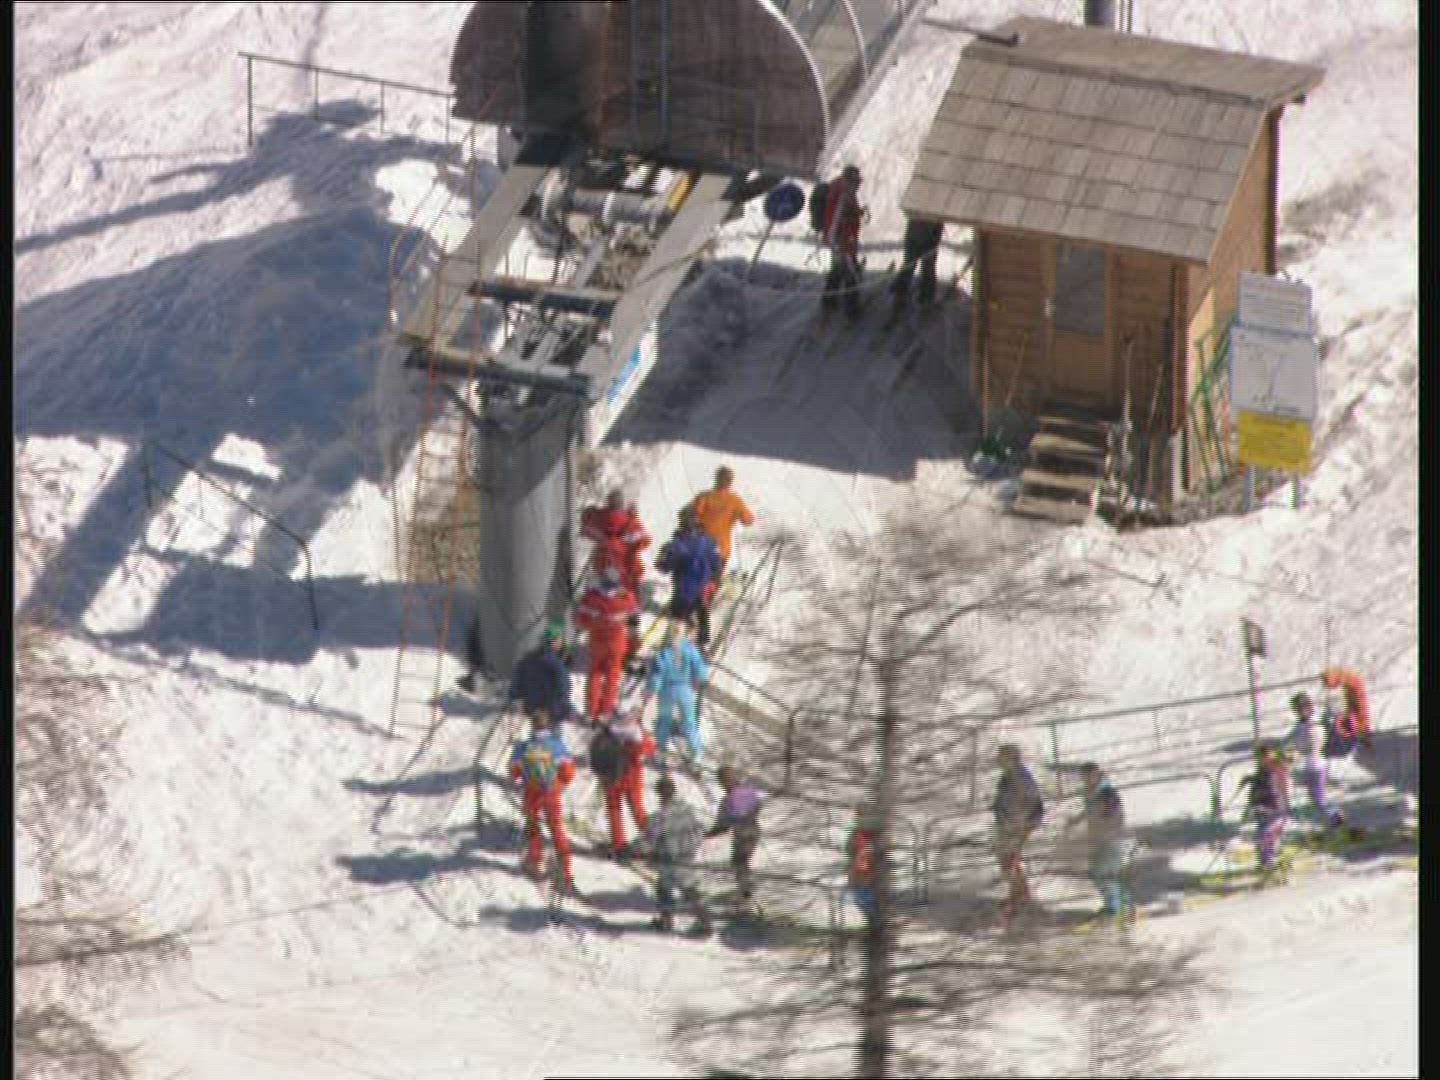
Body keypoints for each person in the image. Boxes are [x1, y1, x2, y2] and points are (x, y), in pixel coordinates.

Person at [508, 709, 578, 890]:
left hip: (531, 794)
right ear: (549, 725)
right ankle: (565, 869)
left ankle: (534, 861)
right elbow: (569, 773)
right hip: (551, 794)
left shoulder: (523, 747)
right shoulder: (557, 745)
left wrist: (522, 781)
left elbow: (514, 772)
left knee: (533, 826)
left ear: (532, 726)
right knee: (557, 829)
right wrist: (560, 785)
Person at [639, 773, 713, 937]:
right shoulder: (688, 811)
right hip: (687, 857)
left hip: (669, 860)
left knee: (682, 890)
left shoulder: (658, 817)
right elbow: (700, 832)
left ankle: (703, 924)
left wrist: (627, 850)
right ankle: (669, 920)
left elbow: (646, 841)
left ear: (659, 793)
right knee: (669, 888)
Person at [574, 564, 639, 721]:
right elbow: (634, 616)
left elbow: (580, 621)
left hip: (597, 642)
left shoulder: (591, 598)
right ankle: (606, 711)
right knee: (612, 676)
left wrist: (593, 624)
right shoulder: (625, 600)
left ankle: (591, 711)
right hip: (617, 643)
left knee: (595, 674)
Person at [590, 707, 655, 858]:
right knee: (637, 809)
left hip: (612, 776)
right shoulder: (638, 736)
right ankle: (652, 841)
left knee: (614, 810)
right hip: (632, 777)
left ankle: (618, 843)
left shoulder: (608, 732)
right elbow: (648, 749)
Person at [1068, 763, 1130, 920]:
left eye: (1088, 776)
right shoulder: (1091, 791)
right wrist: (1077, 820)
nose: (1085, 779)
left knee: (1104, 873)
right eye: (1083, 777)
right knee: (1100, 874)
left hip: (1111, 839)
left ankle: (1116, 908)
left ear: (1096, 775)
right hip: (1097, 838)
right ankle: (1117, 905)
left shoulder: (1107, 792)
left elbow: (1114, 814)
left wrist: (1107, 831)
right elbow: (1091, 810)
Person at [991, 743, 1045, 924]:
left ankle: (1020, 898)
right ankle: (1019, 895)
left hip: (1016, 826)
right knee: (1008, 861)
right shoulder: (1009, 775)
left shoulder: (1020, 777)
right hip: (1008, 825)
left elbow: (1034, 803)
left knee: (1010, 862)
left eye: (1001, 756)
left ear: (1010, 758)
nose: (998, 760)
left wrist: (1025, 825)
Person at [655, 506, 721, 650]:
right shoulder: (709, 541)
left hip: (684, 589)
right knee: (702, 614)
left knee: (678, 618)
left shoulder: (677, 545)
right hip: (703, 586)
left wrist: (662, 555)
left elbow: (664, 567)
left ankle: (676, 647)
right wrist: (714, 580)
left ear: (682, 522)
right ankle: (703, 644)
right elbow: (717, 563)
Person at [646, 619, 709, 768]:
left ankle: (660, 751)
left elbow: (657, 675)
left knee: (664, 720)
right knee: (688, 722)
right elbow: (700, 670)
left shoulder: (663, 652)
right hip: (685, 689)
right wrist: (701, 678)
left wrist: (651, 690)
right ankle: (696, 753)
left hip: (666, 691)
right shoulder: (690, 650)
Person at [1280, 692, 1346, 830]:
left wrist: (1293, 753)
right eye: (1297, 709)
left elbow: (1310, 744)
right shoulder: (1304, 724)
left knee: (1318, 798)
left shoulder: (1312, 725)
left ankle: (1335, 817)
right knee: (1314, 796)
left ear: (1308, 708)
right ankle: (1333, 815)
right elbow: (1290, 740)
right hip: (1310, 766)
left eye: (1300, 708)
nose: (1298, 712)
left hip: (1315, 766)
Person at [502, 621, 576, 736]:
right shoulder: (556, 664)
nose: (562, 642)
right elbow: (563, 690)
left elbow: (517, 678)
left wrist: (514, 696)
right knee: (551, 739)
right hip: (551, 711)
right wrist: (568, 710)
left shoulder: (528, 658)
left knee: (538, 736)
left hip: (533, 708)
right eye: (560, 639)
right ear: (555, 641)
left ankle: (536, 743)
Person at [705, 765, 762, 906]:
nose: (722, 784)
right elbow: (758, 805)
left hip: (742, 833)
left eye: (722, 781)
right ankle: (746, 891)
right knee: (742, 862)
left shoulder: (727, 800)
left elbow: (723, 826)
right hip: (754, 830)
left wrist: (707, 834)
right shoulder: (749, 790)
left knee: (739, 863)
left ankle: (746, 895)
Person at [690, 465, 755, 581]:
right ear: (730, 482)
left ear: (716, 479)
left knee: (696, 579)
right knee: (712, 581)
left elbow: (693, 516)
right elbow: (747, 520)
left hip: (700, 546)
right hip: (721, 549)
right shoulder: (734, 500)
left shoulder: (704, 497)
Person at [1238, 740, 1290, 875]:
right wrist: (1251, 779)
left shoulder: (1274, 769)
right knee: (1265, 835)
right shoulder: (1266, 768)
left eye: (1261, 756)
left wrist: (1259, 802)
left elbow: (1273, 790)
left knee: (1266, 834)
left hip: (1273, 808)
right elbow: (1261, 784)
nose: (1259, 760)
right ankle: (1268, 861)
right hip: (1267, 808)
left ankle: (1269, 863)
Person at [821, 163, 866, 320]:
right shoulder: (844, 194)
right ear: (851, 180)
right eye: (857, 181)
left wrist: (856, 213)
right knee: (851, 274)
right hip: (844, 240)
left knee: (837, 270)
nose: (858, 185)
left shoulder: (839, 190)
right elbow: (837, 219)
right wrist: (840, 241)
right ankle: (851, 309)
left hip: (841, 239)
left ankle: (829, 301)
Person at [887, 216, 943, 325]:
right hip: (915, 235)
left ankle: (926, 297)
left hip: (930, 235)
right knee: (910, 265)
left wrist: (935, 238)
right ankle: (901, 293)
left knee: (927, 267)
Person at [1322, 665, 1374, 749]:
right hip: (1353, 720)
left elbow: (1359, 704)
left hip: (1354, 721)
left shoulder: (1349, 683)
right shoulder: (1347, 683)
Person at [846, 803, 877, 920]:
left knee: (865, 899)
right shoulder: (856, 832)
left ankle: (873, 919)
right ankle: (872, 919)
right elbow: (849, 849)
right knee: (861, 899)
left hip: (868, 873)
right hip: (860, 872)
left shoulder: (873, 834)